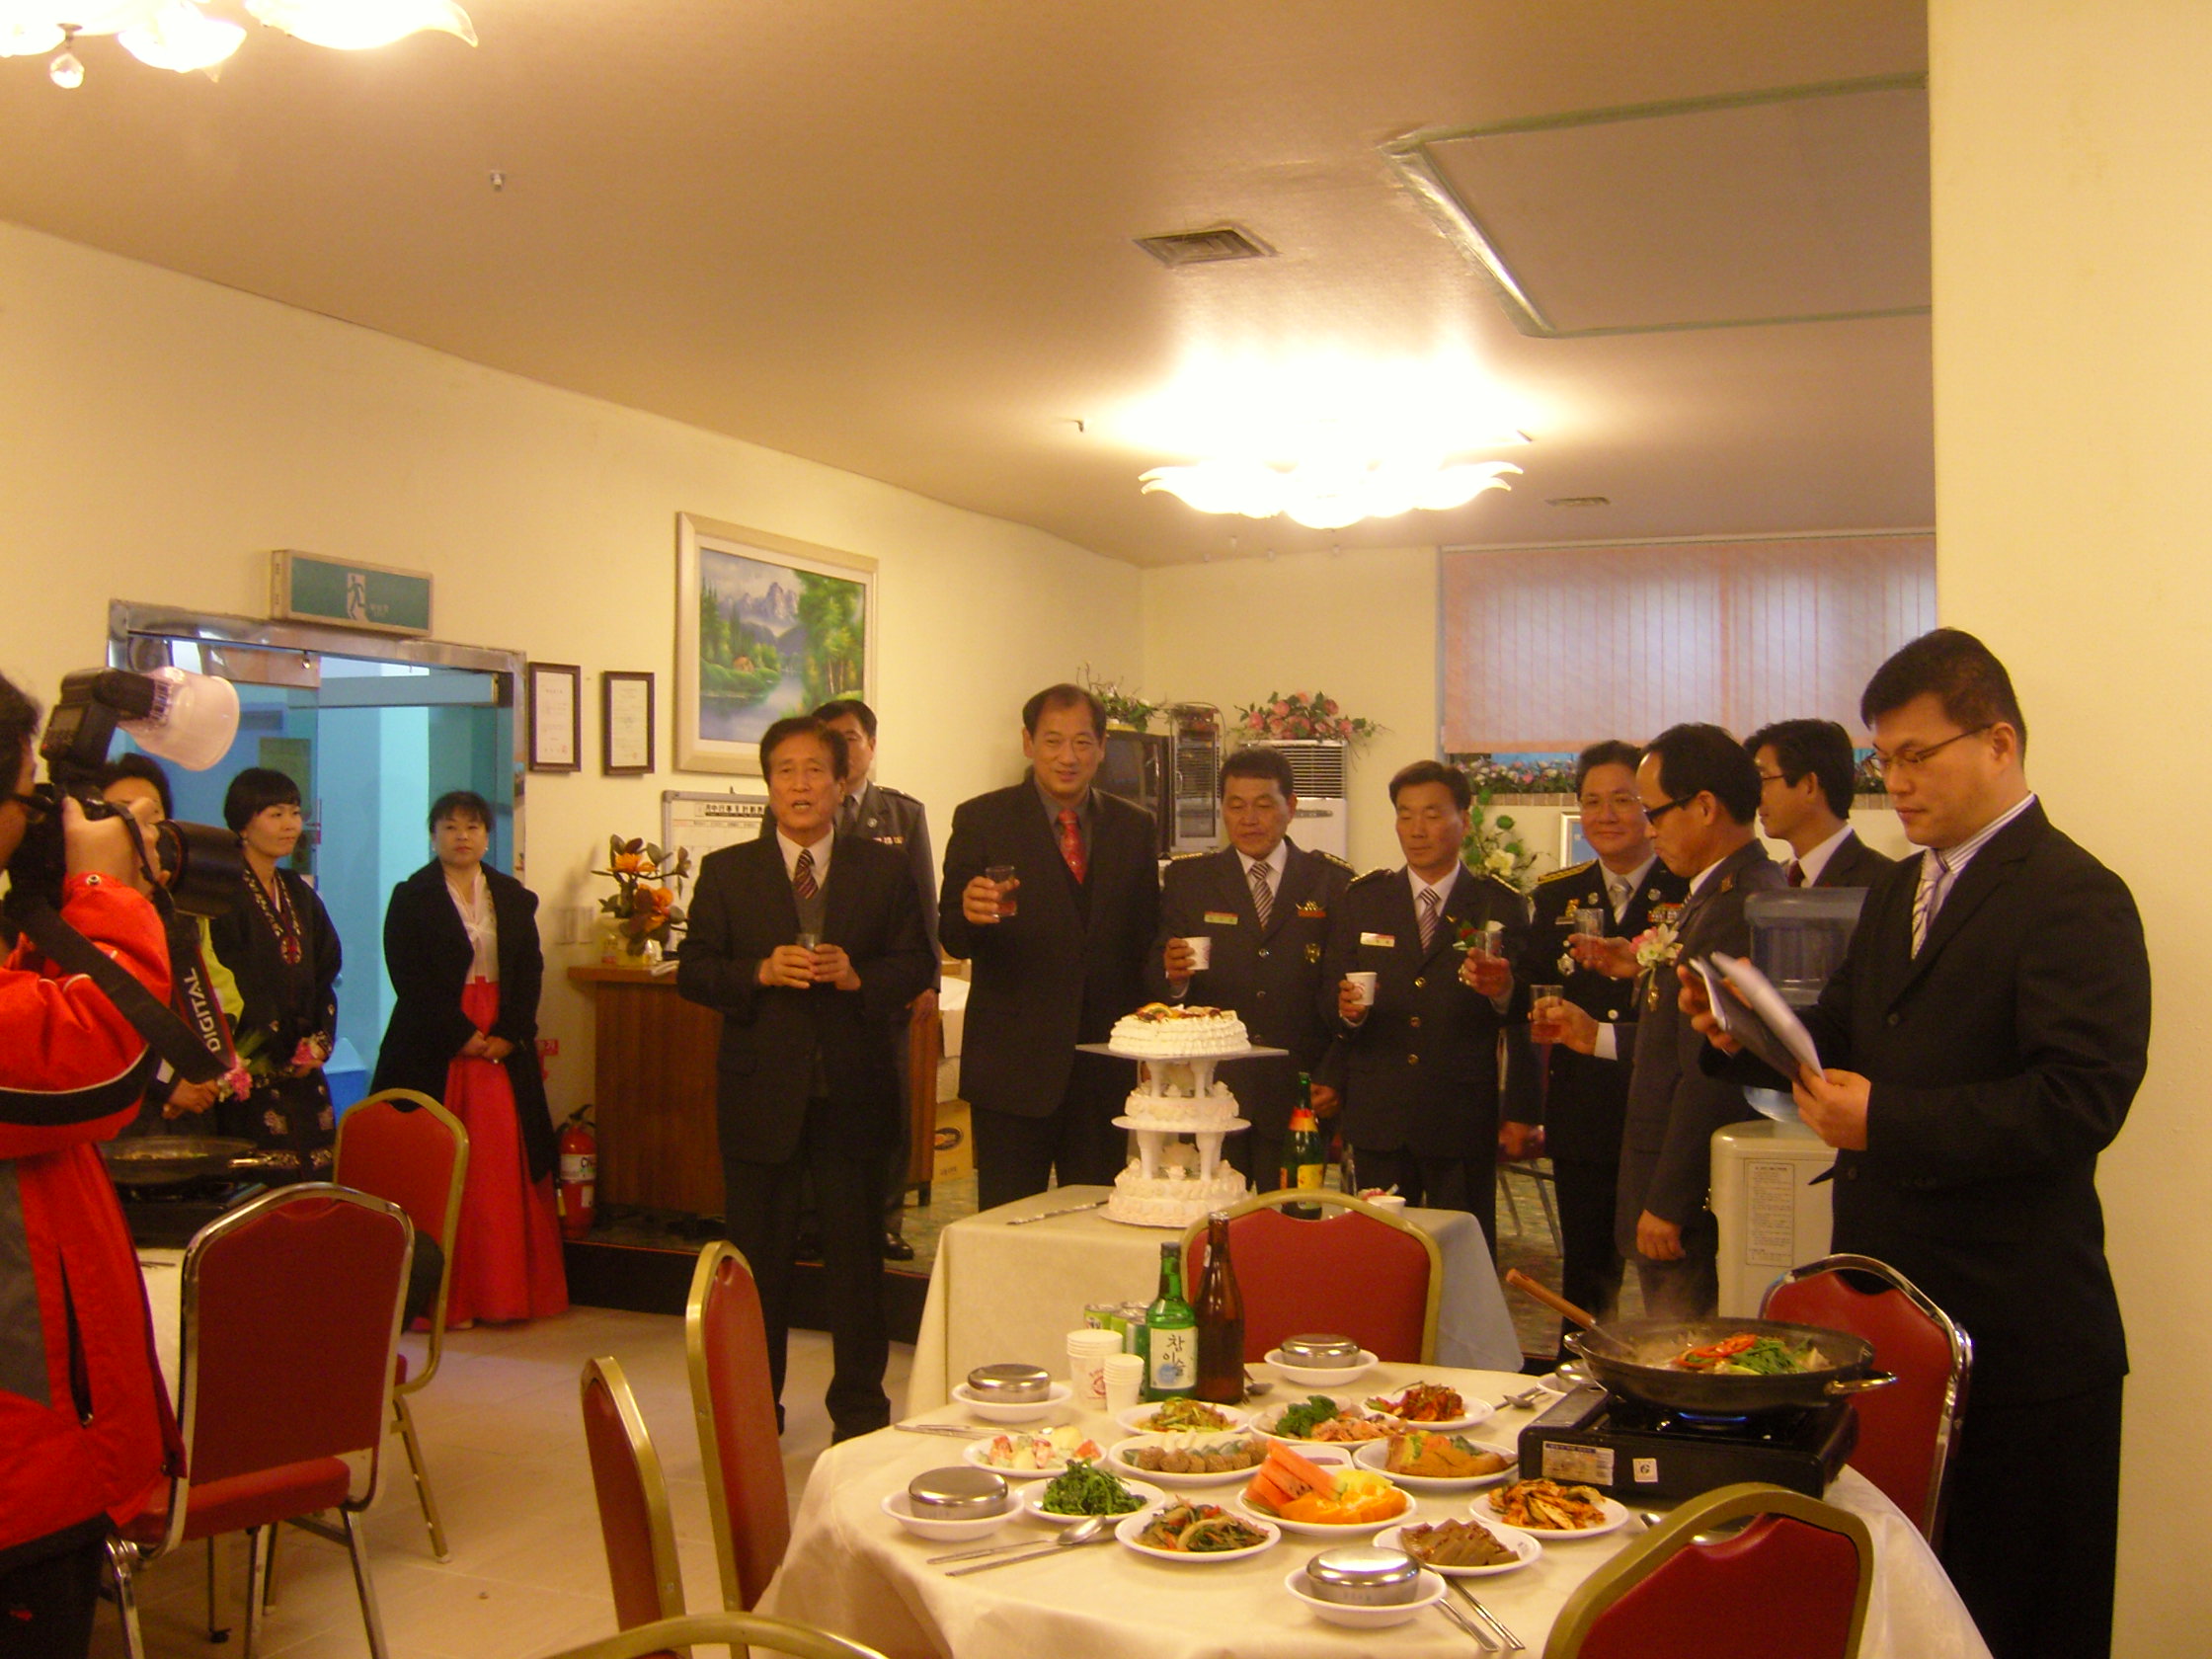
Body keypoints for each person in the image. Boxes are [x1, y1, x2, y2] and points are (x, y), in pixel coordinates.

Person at [1689, 629, 2147, 1659]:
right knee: (1899, 1612)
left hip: (2016, 1333)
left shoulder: (2072, 893)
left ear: (1998, 743)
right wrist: (1741, 1034)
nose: (1893, 783)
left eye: (1916, 756)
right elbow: (1847, 1036)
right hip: (1889, 1322)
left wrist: (1884, 1120)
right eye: (1881, 759)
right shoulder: (1902, 887)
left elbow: (2080, 1100)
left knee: (2013, 1616)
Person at [677, 715, 932, 1441]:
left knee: (857, 1266)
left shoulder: (883, 869)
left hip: (854, 1094)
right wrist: (757, 971)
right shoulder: (728, 871)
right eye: (785, 770)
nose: (800, 784)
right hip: (762, 1097)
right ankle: (756, 1412)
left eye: (815, 770)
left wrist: (859, 977)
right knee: (758, 1267)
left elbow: (917, 962)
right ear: (767, 784)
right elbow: (694, 972)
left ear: (841, 782)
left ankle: (861, 1414)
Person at [0, 674, 176, 1659]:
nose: (37, 820)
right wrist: (107, 891)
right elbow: (102, 1057)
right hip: (18, 1462)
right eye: (27, 794)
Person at [1544, 724, 1779, 1319]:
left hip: (1690, 1194)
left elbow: (1711, 1075)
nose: (1649, 829)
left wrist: (1671, 1199)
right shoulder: (1716, 894)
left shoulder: (1737, 905)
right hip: (1665, 1172)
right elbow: (1673, 1042)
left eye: (1655, 811)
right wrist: (1597, 1032)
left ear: (1705, 807)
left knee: (1691, 1345)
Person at [938, 684, 1159, 1209]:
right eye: (1053, 741)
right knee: (1006, 1221)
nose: (1067, 757)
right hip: (1012, 1067)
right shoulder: (982, 819)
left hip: (1102, 1066)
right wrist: (969, 912)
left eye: (1082, 742)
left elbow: (1145, 938)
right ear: (1027, 742)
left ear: (1102, 748)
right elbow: (951, 934)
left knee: (1100, 1216)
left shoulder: (1134, 826)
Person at [1503, 741, 1688, 1338]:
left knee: (1671, 1276)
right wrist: (1502, 988)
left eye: (1623, 800)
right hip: (1584, 1106)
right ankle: (1576, 1373)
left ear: (1652, 807)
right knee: (1586, 1268)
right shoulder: (1557, 893)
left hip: (1664, 1108)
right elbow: (1529, 993)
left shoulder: (1686, 885)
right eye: (1591, 802)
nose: (1605, 815)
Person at [371, 790, 567, 1325]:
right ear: (433, 834)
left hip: (501, 1039)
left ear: (487, 835)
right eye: (450, 826)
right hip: (434, 1040)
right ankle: (441, 1301)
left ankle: (504, 1294)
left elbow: (530, 970)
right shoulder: (411, 896)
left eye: (473, 826)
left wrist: (511, 1033)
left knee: (500, 1164)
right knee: (438, 1163)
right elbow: (407, 976)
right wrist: (458, 1034)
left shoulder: (512, 895)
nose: (462, 836)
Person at [1320, 759, 1527, 1248]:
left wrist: (1501, 989)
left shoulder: (1497, 903)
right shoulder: (1364, 899)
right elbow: (1331, 996)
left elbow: (1522, 1010)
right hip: (1380, 1111)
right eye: (1405, 815)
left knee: (1463, 1250)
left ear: (1464, 819)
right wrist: (1348, 1012)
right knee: (1377, 1253)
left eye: (1432, 815)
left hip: (1459, 1111)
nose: (1417, 829)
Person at [1146, 746, 1354, 1185]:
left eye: (1263, 805)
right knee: (1212, 1214)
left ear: (1290, 807)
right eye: (1236, 806)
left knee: (1291, 1216)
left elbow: (1343, 992)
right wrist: (1173, 977)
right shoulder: (1190, 880)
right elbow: (1158, 977)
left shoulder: (1331, 882)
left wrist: (1334, 1075)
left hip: (1300, 1089)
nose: (1249, 819)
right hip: (1211, 1090)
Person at [815, 696, 937, 1261]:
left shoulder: (901, 814)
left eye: (850, 738)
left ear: (871, 744)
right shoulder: (802, 804)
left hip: (885, 984)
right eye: (829, 739)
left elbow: (924, 900)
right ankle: (817, 1219)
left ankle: (885, 1218)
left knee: (890, 1105)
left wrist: (928, 980)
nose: (841, 750)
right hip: (819, 984)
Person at [205, 766, 342, 1179]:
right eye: (275, 814)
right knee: (260, 1187)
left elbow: (325, 970)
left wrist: (320, 1040)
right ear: (243, 824)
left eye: (295, 813)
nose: (290, 825)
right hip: (251, 1067)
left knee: (316, 1184)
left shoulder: (298, 891)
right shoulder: (220, 891)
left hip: (303, 1068)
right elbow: (222, 977)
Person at [98, 753, 242, 1139]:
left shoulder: (182, 903)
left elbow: (215, 992)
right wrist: (165, 1081)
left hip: (193, 1100)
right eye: (124, 810)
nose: (141, 827)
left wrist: (205, 1067)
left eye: (153, 813)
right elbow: (96, 1016)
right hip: (123, 1101)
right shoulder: (80, 904)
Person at [1746, 718, 1894, 887]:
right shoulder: (1773, 882)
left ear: (1809, 785)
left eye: (1763, 779)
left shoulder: (1883, 883)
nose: (1756, 796)